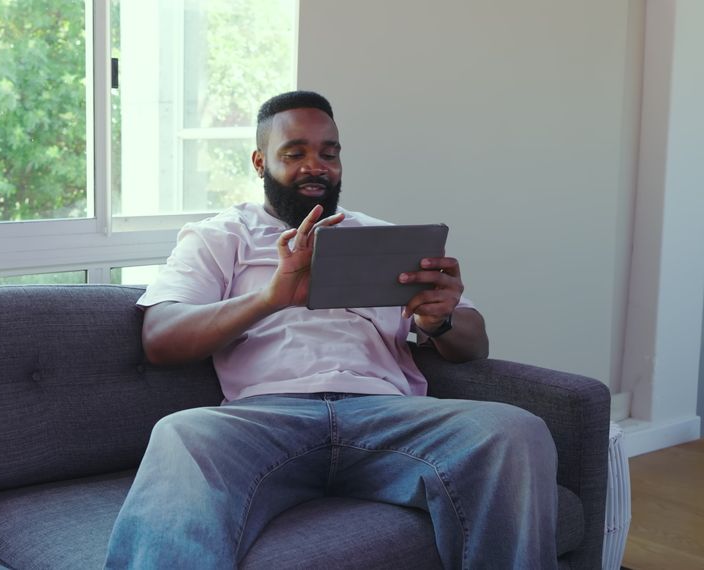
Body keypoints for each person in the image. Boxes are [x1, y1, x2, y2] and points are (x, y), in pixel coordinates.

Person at [103, 91, 558, 569]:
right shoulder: (221, 237)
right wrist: (270, 298)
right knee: (182, 434)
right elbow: (160, 338)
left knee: (515, 430)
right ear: (260, 162)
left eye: (329, 153)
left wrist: (439, 319)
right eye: (294, 153)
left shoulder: (384, 238)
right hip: (266, 419)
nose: (315, 166)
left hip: (386, 416)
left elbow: (474, 344)